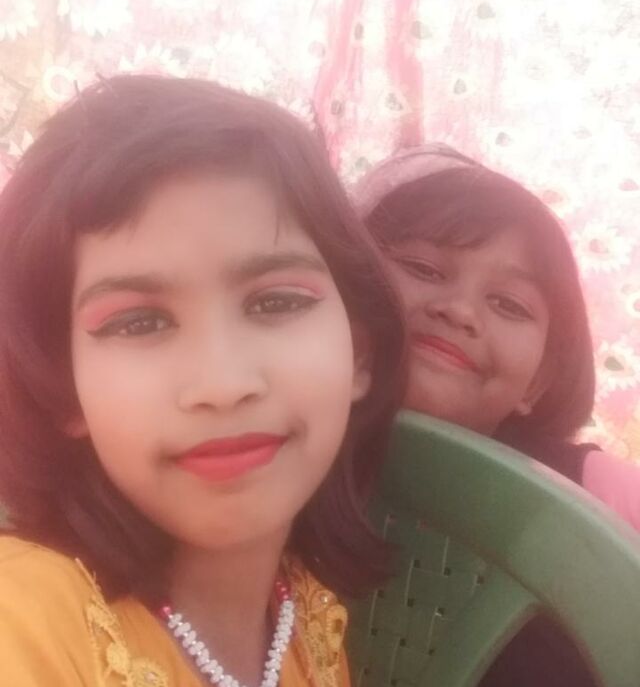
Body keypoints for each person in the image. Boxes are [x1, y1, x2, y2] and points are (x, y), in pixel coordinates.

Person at [0, 75, 406, 686]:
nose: (222, 383)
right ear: (60, 386)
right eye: (139, 322)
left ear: (360, 354)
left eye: (276, 302)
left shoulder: (306, 615)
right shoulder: (24, 624)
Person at [357, 143, 640, 687]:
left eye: (509, 304)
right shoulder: (266, 450)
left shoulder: (592, 490)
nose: (459, 310)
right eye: (422, 267)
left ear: (538, 381)